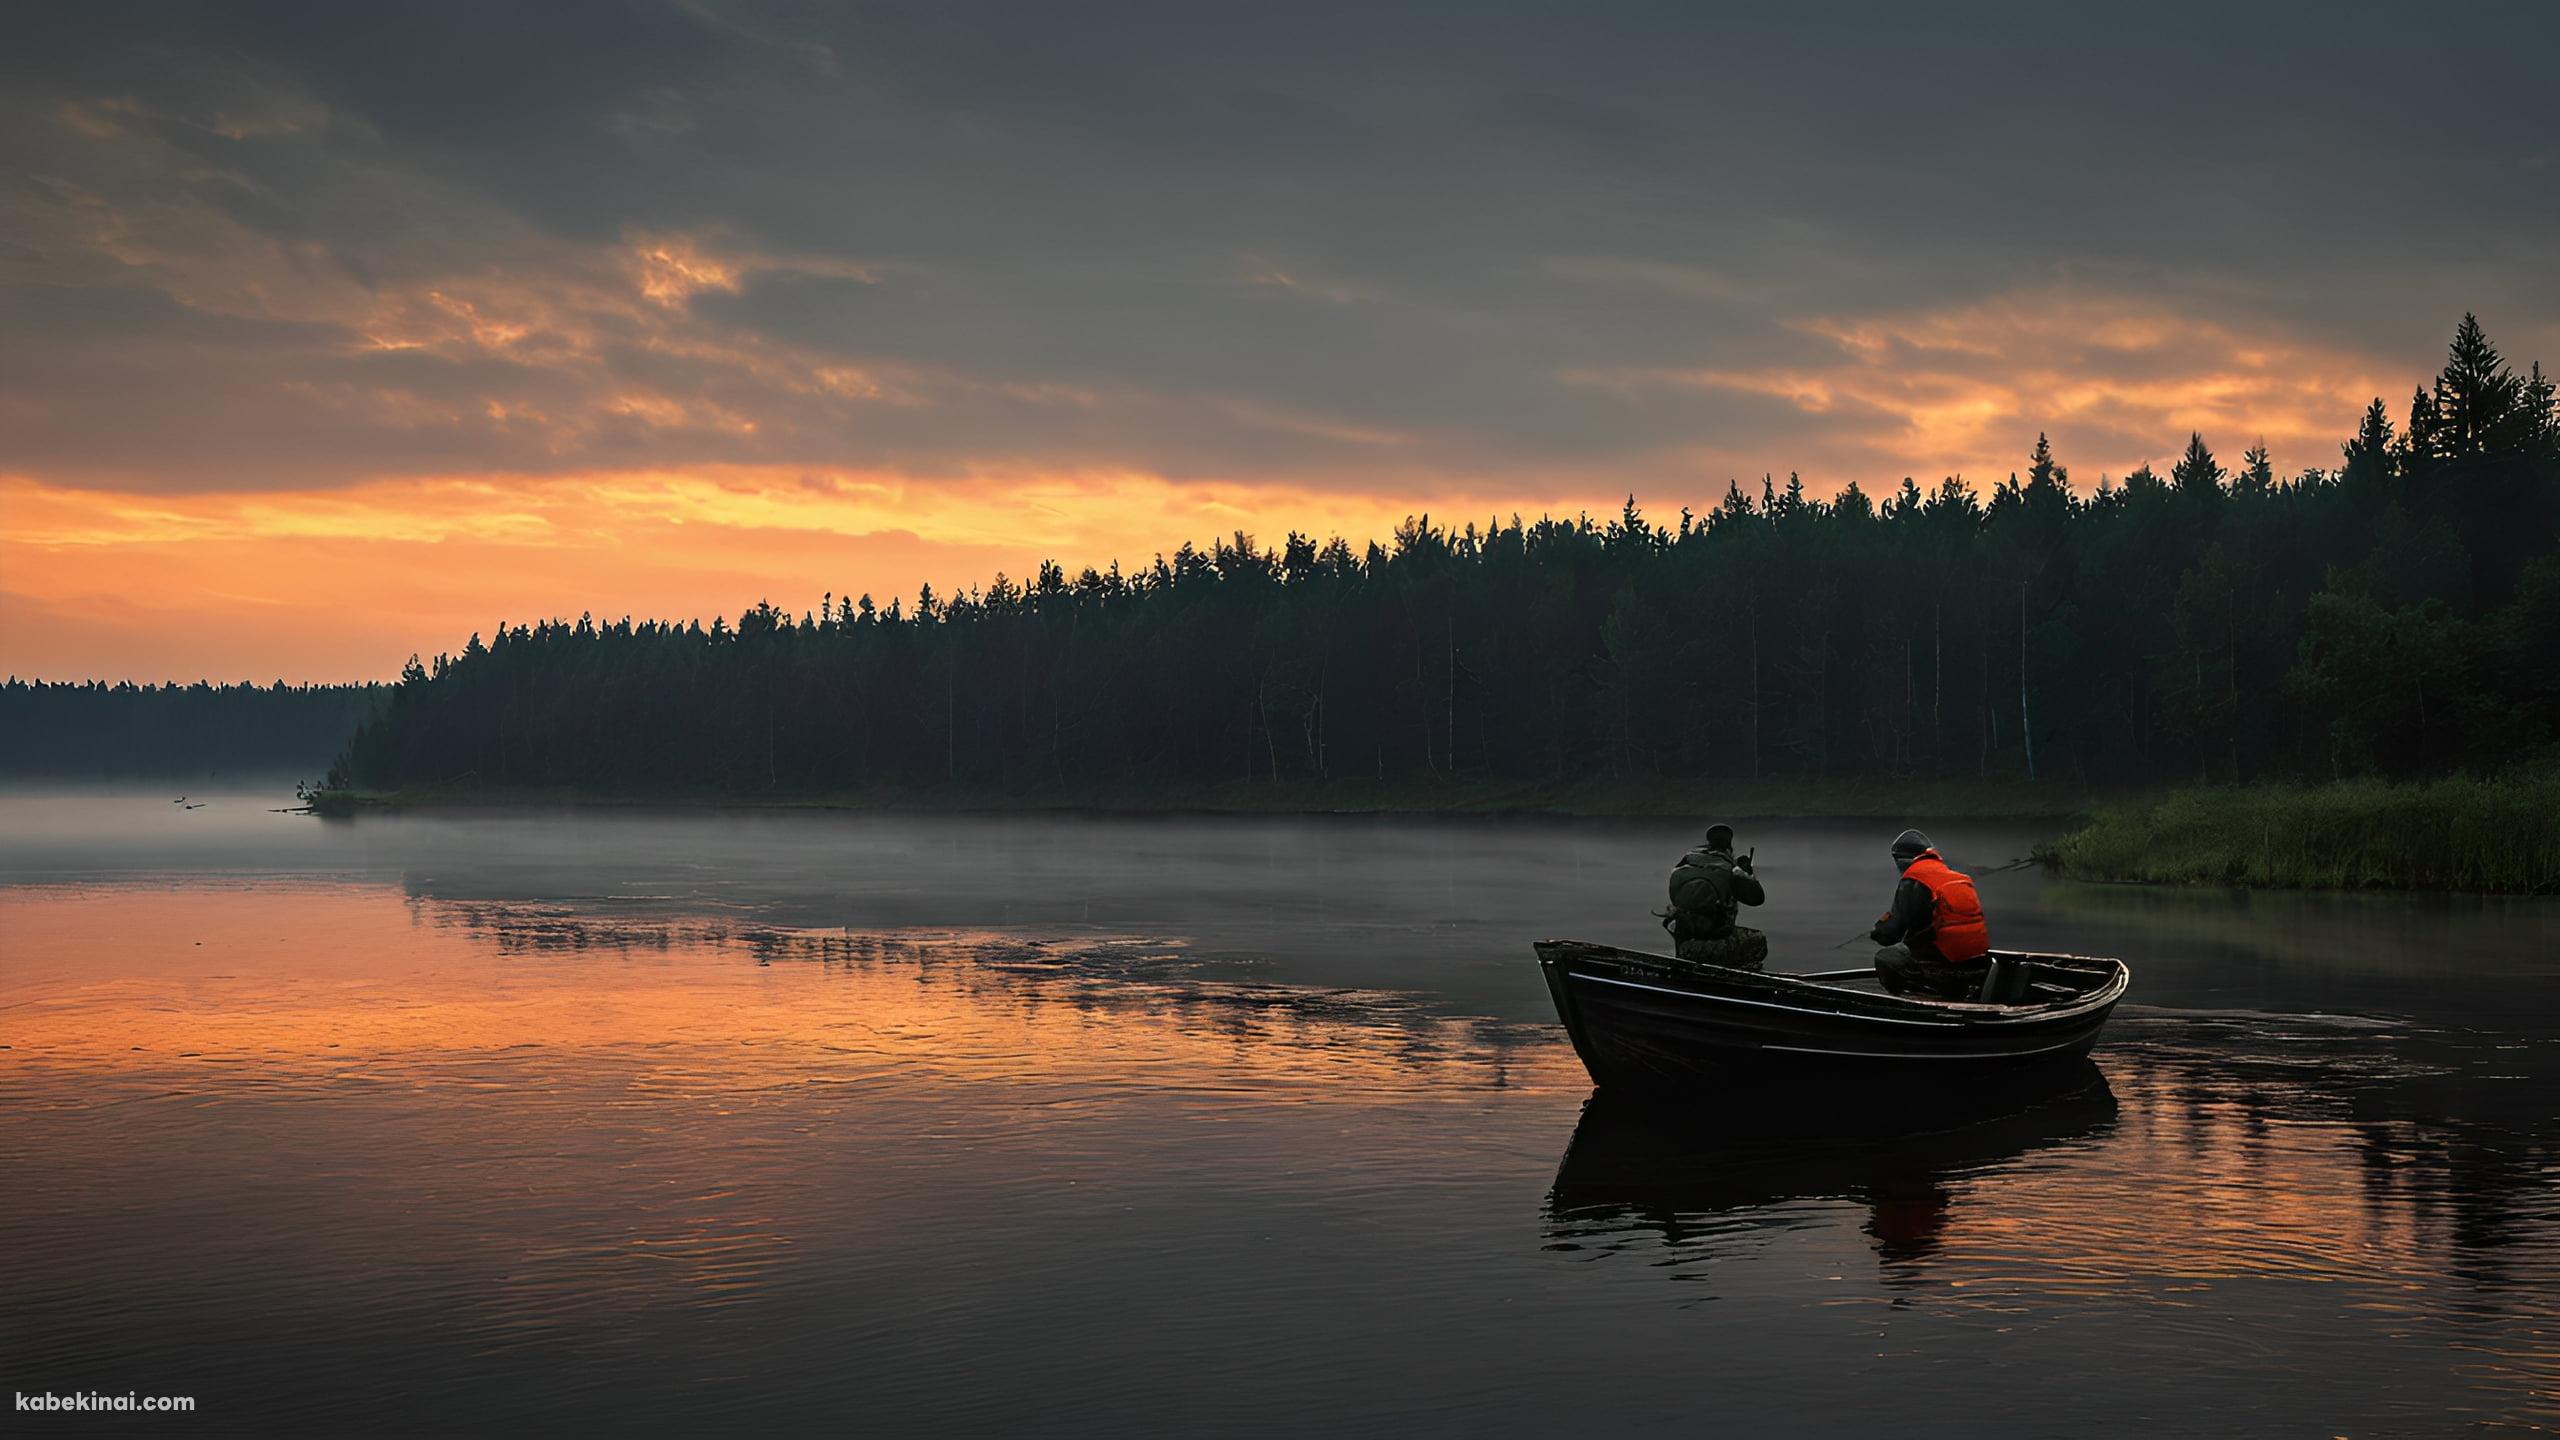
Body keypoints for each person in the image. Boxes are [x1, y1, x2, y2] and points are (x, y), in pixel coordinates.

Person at [1870, 829, 1991, 998]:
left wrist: (1877, 930)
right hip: (1978, 962)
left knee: (1886, 958)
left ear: (1902, 859)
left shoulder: (1915, 878)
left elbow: (1891, 934)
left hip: (1947, 963)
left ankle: (1911, 999)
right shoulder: (1960, 878)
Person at [1661, 823, 1767, 970]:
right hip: (1711, 946)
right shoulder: (1731, 871)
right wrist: (1747, 875)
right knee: (1758, 940)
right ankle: (1738, 974)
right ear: (1729, 848)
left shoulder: (1687, 861)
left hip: (1684, 944)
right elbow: (1757, 899)